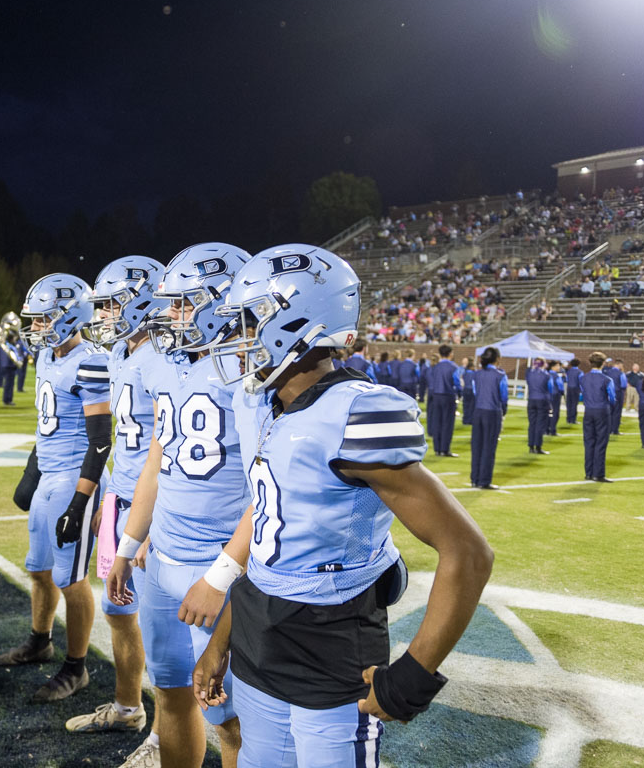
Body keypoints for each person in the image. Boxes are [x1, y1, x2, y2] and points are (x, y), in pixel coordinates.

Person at [192, 244, 493, 766]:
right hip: (259, 637)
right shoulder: (270, 404)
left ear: (297, 322)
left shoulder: (356, 413)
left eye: (250, 319)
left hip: (331, 649)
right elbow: (267, 544)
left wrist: (414, 676)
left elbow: (468, 552)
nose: (235, 337)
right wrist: (223, 638)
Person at [107, 243, 251, 768]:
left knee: (231, 721)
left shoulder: (248, 371)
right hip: (161, 557)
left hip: (215, 566)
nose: (169, 316)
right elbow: (155, 463)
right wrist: (128, 542)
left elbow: (269, 487)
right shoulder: (165, 365)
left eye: (183, 304)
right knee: (168, 690)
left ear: (222, 300)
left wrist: (222, 574)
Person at [0, 273, 110, 704]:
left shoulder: (91, 360)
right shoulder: (48, 357)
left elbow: (100, 440)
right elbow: (46, 428)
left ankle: (75, 669)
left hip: (75, 479)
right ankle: (40, 642)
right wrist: (31, 474)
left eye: (43, 319)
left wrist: (80, 503)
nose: (36, 327)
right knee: (38, 569)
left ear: (68, 316)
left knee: (71, 579)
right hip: (49, 476)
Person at [72, 256, 166, 765]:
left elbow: (169, 454)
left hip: (150, 511)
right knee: (118, 611)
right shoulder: (121, 355)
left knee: (165, 636)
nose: (104, 313)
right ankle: (129, 707)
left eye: (112, 303)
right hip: (118, 500)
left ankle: (162, 739)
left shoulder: (167, 361)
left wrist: (154, 524)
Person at [470, 347, 508, 490]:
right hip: (492, 412)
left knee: (477, 446)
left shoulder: (476, 374)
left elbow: (475, 392)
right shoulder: (500, 375)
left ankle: (475, 478)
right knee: (489, 446)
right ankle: (484, 480)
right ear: (497, 359)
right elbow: (503, 396)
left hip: (478, 411)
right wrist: (503, 410)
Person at [581, 352, 616, 482]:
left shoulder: (583, 378)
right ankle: (598, 474)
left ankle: (588, 473)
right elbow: (612, 399)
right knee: (601, 443)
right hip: (602, 411)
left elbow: (583, 393)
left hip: (588, 411)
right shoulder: (607, 379)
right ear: (603, 363)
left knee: (589, 442)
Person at [426, 344, 461, 457]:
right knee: (447, 423)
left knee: (437, 422)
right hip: (448, 396)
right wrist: (459, 394)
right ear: (450, 354)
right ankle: (445, 449)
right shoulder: (454, 367)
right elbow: (457, 383)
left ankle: (437, 449)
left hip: (436, 396)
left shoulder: (435, 367)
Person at [525, 359, 553, 455]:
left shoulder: (529, 374)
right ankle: (538, 446)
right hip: (542, 400)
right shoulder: (546, 375)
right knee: (540, 425)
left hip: (531, 399)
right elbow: (550, 388)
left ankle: (531, 447)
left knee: (532, 424)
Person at [602, 358, 627, 435]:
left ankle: (608, 429)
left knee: (609, 412)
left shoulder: (607, 372)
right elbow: (623, 385)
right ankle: (614, 430)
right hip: (618, 393)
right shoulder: (621, 373)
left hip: (608, 393)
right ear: (619, 364)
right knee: (617, 412)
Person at [546, 360, 565, 436]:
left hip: (547, 396)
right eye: (557, 366)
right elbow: (560, 386)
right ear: (553, 367)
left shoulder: (546, 374)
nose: (559, 367)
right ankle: (553, 430)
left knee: (548, 413)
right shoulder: (556, 376)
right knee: (555, 413)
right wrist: (562, 392)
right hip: (555, 395)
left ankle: (546, 430)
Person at [565, 358, 583, 425]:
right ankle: (573, 419)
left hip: (569, 388)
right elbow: (581, 381)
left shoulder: (568, 371)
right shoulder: (580, 372)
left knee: (569, 404)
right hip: (575, 388)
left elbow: (567, 379)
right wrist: (582, 390)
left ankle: (568, 419)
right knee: (574, 404)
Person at [460, 356, 476, 425]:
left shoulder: (464, 373)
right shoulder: (474, 374)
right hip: (472, 390)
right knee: (472, 406)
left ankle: (465, 420)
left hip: (465, 390)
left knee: (465, 405)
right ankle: (470, 420)